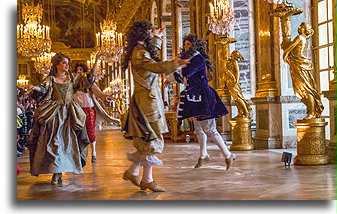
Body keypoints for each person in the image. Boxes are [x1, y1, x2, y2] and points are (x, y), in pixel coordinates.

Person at [122, 21, 189, 192]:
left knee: (147, 139)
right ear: (143, 34)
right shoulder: (139, 53)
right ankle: (147, 179)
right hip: (147, 102)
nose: (153, 33)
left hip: (148, 99)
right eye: (150, 32)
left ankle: (134, 172)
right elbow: (155, 66)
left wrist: (158, 38)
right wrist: (175, 63)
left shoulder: (140, 50)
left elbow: (151, 56)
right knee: (152, 139)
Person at [168, 34, 236, 170]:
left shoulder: (198, 59)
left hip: (204, 95)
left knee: (210, 128)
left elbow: (187, 73)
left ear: (194, 45)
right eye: (185, 44)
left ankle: (228, 155)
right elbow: (183, 77)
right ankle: (204, 155)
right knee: (198, 128)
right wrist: (169, 77)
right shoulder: (190, 59)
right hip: (194, 94)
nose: (186, 47)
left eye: (189, 44)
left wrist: (176, 65)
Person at [27, 52, 93, 185]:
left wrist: (96, 63)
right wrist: (35, 87)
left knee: (67, 142)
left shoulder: (73, 78)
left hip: (69, 113)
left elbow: (87, 82)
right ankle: (56, 171)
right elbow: (43, 89)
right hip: (54, 113)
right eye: (64, 63)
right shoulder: (50, 79)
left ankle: (59, 172)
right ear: (57, 64)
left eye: (68, 63)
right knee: (55, 141)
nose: (67, 65)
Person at [73, 58, 118, 163]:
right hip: (77, 111)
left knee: (90, 131)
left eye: (81, 69)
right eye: (77, 69)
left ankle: (93, 153)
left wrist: (106, 96)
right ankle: (78, 154)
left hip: (89, 110)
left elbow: (98, 93)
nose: (79, 71)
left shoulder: (90, 83)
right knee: (77, 132)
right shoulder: (73, 83)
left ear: (84, 71)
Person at [283, 22, 323, 119]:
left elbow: (289, 48)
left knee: (305, 88)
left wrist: (285, 51)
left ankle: (312, 112)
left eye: (301, 26)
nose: (299, 27)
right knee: (306, 88)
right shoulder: (304, 38)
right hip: (300, 63)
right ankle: (311, 111)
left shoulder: (300, 37)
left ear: (305, 29)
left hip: (299, 64)